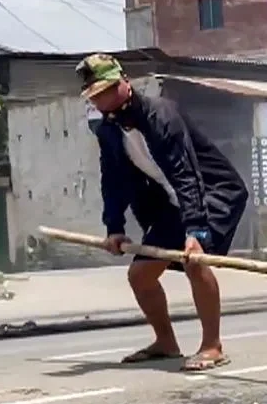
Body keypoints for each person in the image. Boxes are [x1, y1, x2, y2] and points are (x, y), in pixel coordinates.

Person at [77, 54, 248, 371]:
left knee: (194, 262)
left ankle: (212, 345)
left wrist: (195, 232)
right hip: (174, 204)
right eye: (95, 95)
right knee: (139, 275)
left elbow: (187, 174)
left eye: (107, 90)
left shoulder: (161, 115)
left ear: (124, 81)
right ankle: (166, 343)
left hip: (212, 192)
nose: (102, 99)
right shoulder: (108, 131)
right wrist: (113, 227)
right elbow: (112, 180)